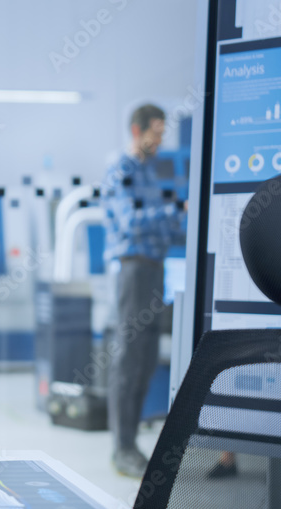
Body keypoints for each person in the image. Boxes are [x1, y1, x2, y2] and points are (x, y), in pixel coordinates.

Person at [100, 103, 186, 478]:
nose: (160, 138)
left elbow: (165, 230)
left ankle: (132, 444)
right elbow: (131, 222)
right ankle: (121, 449)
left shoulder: (150, 175)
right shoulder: (122, 171)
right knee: (129, 359)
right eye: (156, 131)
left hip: (155, 270)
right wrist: (173, 212)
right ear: (137, 131)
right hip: (133, 269)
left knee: (147, 359)